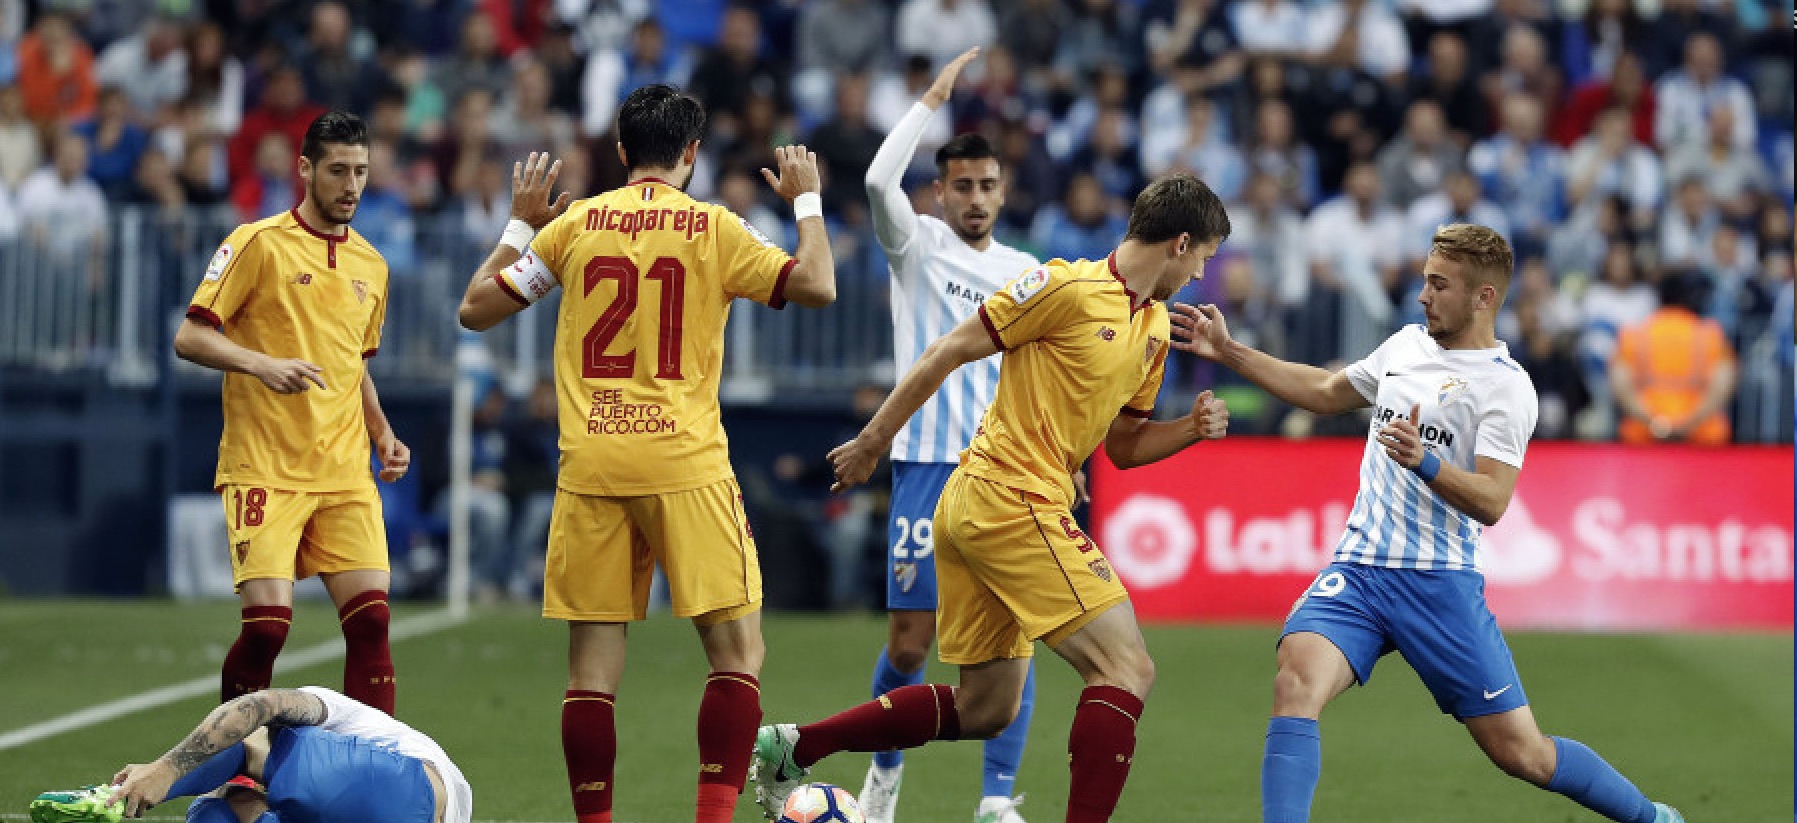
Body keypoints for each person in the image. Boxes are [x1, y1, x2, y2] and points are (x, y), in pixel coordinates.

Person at [752, 175, 1233, 823]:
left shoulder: (1150, 326)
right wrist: (872, 439)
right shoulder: (1065, 286)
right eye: (1202, 255)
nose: (1202, 273)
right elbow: (949, 348)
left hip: (993, 507)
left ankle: (796, 745)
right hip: (1008, 499)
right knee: (1126, 666)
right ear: (1179, 242)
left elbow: (1122, 444)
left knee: (985, 709)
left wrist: (1189, 431)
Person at [1169, 223, 1686, 823]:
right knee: (1295, 684)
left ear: (1483, 297)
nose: (1423, 296)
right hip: (1360, 572)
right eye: (1424, 282)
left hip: (1439, 582)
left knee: (1523, 754)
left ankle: (1651, 818)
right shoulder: (1405, 346)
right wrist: (1230, 352)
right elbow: (1326, 390)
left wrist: (1427, 461)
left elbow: (1493, 501)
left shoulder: (1506, 388)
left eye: (1439, 285)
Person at [455, 84, 837, 823]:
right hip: (683, 464)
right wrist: (808, 203)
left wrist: (517, 225)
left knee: (590, 677)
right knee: (736, 657)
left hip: (592, 466)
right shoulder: (715, 228)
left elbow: (476, 309)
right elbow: (816, 283)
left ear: (623, 153)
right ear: (691, 154)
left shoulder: (573, 230)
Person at [857, 47, 1044, 823]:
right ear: (939, 192)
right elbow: (874, 180)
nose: (974, 197)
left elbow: (1039, 379)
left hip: (1003, 472)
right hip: (925, 465)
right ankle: (885, 773)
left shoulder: (1027, 270)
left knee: (1016, 636)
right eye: (961, 185)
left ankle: (995, 799)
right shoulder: (917, 246)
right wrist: (932, 96)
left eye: (986, 186)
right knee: (910, 641)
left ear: (1003, 193)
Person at [173, 111, 409, 717]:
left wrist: (381, 432)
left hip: (343, 473)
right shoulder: (256, 243)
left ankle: (372, 769)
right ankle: (238, 768)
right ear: (305, 169)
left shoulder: (373, 266)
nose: (351, 184)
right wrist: (259, 364)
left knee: (373, 622)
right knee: (268, 629)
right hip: (265, 466)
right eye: (337, 170)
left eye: (360, 170)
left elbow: (352, 364)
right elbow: (191, 338)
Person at [29, 687, 471, 823]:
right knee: (212, 814)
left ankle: (118, 797)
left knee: (250, 757)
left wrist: (164, 770)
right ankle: (125, 796)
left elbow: (256, 709)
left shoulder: (323, 707)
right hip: (413, 805)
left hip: (414, 784)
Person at [1609, 273, 1737, 446]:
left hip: (1643, 436)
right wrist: (1688, 424)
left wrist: (1654, 423)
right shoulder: (1711, 335)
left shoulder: (1635, 334)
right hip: (1702, 437)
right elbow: (1721, 387)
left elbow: (1622, 386)